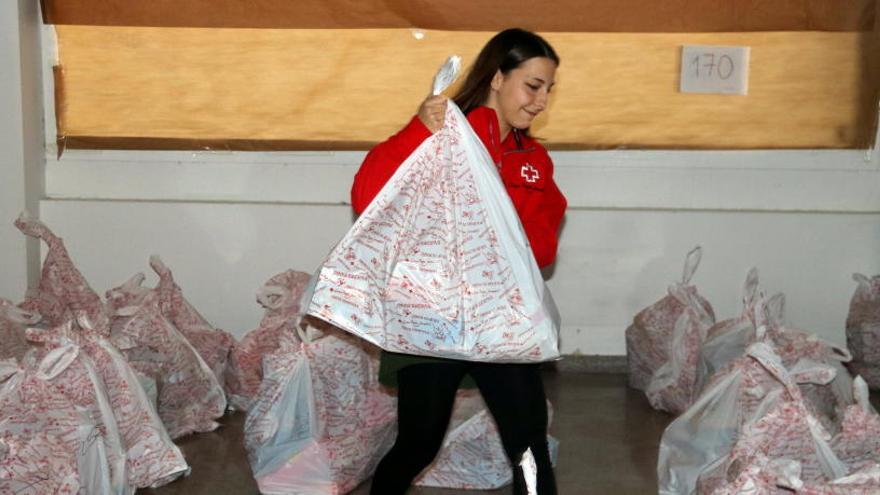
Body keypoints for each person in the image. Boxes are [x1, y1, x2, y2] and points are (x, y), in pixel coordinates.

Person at [351, 28, 567, 495]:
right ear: (495, 77)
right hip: (432, 317)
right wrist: (417, 131)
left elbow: (543, 249)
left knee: (527, 447)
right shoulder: (441, 135)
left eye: (549, 89)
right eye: (533, 85)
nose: (542, 101)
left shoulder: (532, 160)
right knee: (418, 444)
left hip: (500, 320)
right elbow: (367, 196)